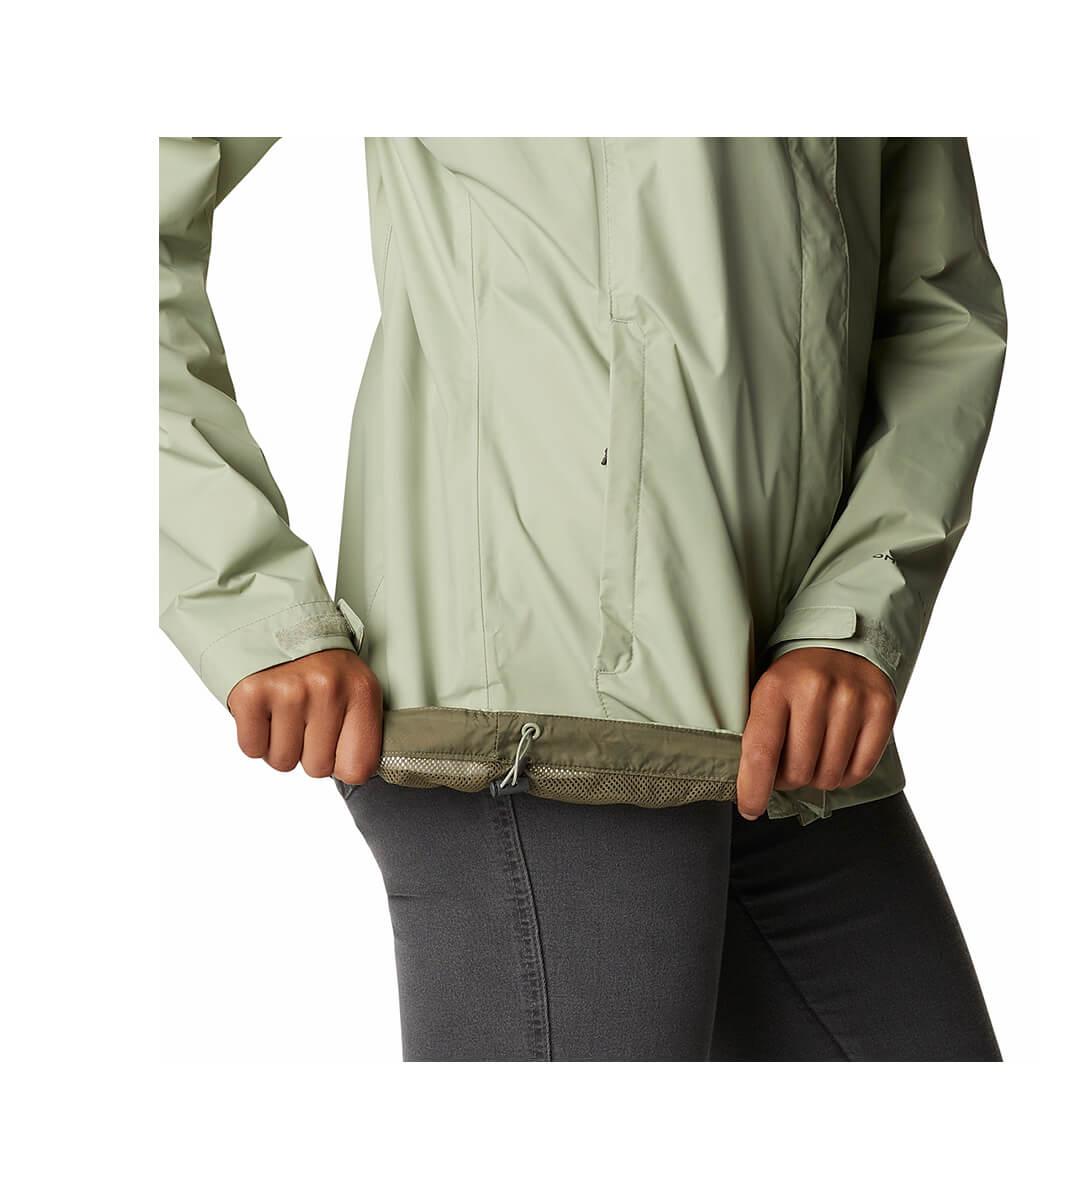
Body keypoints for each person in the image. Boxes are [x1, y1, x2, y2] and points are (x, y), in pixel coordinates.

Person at [160, 137, 1006, 1061]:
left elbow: (936, 309)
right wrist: (245, 596)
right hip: (531, 723)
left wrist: (853, 614)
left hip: (791, 733)